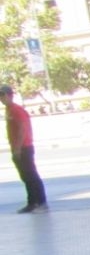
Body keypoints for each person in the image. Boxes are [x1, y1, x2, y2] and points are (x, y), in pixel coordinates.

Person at [3, 84, 48, 213]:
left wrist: (17, 148)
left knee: (30, 176)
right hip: (18, 147)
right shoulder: (9, 110)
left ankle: (38, 202)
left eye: (3, 95)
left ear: (10, 95)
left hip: (24, 148)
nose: (1, 98)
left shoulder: (17, 110)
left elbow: (23, 129)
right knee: (26, 176)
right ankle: (34, 202)